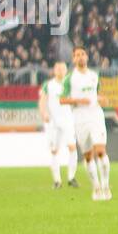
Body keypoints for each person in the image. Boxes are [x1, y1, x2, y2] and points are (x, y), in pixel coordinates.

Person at [59, 46, 110, 200]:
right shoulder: (69, 78)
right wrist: (79, 100)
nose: (80, 57)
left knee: (100, 151)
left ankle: (106, 186)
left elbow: (98, 94)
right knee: (88, 156)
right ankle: (96, 187)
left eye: (82, 54)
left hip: (96, 116)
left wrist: (102, 99)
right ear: (73, 59)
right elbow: (62, 99)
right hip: (80, 118)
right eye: (77, 55)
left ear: (87, 57)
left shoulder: (94, 76)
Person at [38, 61, 79, 189]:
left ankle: (71, 178)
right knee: (54, 150)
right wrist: (44, 113)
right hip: (53, 122)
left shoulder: (71, 84)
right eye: (58, 68)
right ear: (54, 70)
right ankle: (57, 181)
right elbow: (42, 101)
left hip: (67, 119)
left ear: (66, 70)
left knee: (72, 147)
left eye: (63, 68)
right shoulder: (48, 85)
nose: (60, 71)